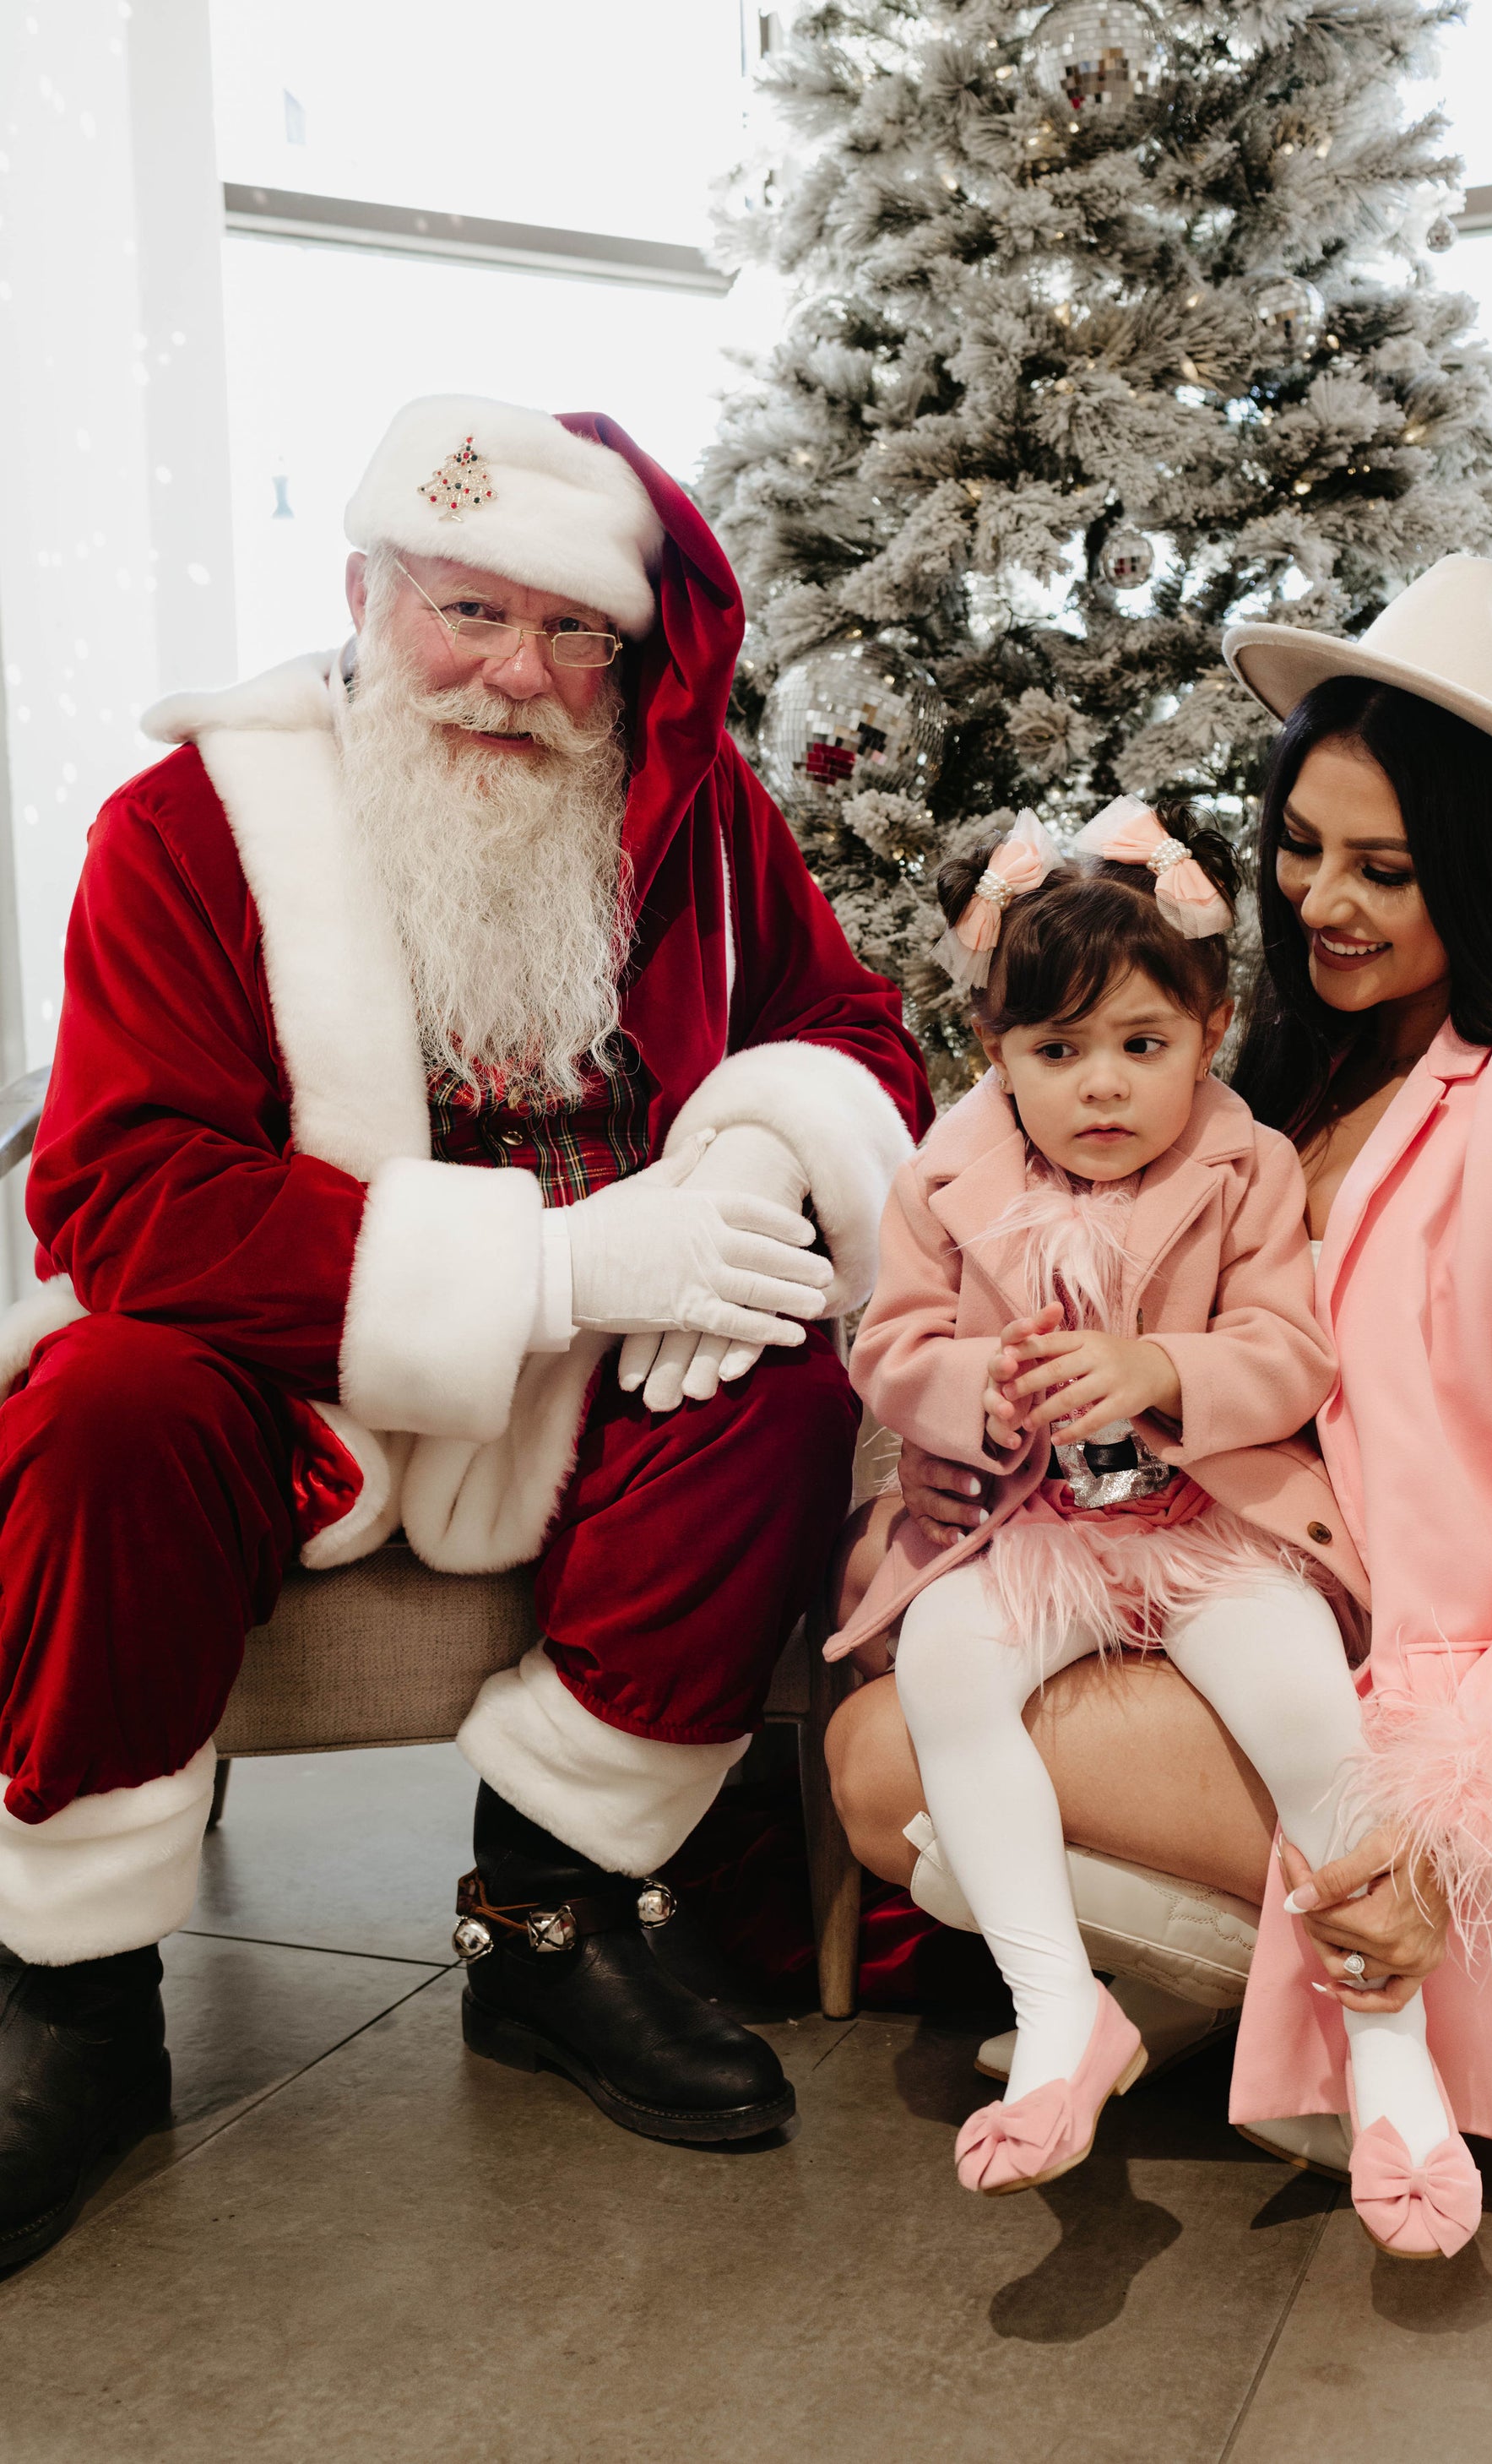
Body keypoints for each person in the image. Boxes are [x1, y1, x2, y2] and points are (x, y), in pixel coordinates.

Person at [0, 396, 930, 2268]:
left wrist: (752, 1156)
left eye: (576, 634)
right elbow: (124, 1200)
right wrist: (563, 1269)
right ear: (365, 594)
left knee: (784, 1368)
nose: (520, 677)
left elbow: (856, 1037)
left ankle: (554, 1910)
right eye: (470, 615)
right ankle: (72, 1995)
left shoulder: (697, 822)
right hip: (282, 1381)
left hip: (596, 1392)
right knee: (98, 1397)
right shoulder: (188, 827)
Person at [828, 555, 1492, 2241]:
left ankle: (1361, 1989)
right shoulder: (1286, 1064)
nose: (1320, 901)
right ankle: (1166, 1992)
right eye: (1298, 848)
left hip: (1444, 1684)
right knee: (890, 1722)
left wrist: (1455, 1806)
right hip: (1224, 1577)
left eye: (1386, 867)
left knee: (883, 1751)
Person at [828, 801, 1478, 2244]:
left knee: (1309, 1712)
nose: (1102, 1089)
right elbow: (888, 1342)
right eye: (1054, 1053)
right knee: (943, 1673)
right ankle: (1061, 2007)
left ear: (1211, 1027)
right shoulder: (948, 1173)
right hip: (1032, 1528)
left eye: (1143, 1045)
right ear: (992, 1056)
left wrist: (1163, 1367)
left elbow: (1290, 1348)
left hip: (1206, 1523)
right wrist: (963, 1389)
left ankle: (1387, 2046)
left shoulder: (1238, 1165)